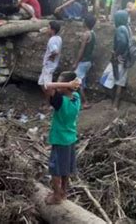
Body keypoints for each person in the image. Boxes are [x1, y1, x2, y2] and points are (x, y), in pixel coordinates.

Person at [43, 72, 81, 204]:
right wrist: (71, 86)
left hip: (60, 139)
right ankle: (63, 191)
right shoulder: (76, 97)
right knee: (66, 168)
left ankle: (56, 196)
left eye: (61, 83)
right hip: (71, 138)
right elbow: (54, 87)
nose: (58, 85)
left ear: (68, 86)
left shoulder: (60, 101)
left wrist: (68, 84)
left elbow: (47, 86)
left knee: (55, 170)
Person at [99, 11, 130, 110]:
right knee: (120, 82)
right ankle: (115, 105)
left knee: (104, 80)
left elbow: (122, 42)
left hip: (118, 59)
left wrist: (116, 54)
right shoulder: (128, 28)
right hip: (126, 59)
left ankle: (112, 101)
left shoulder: (120, 29)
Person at [72, 14, 96, 109]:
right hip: (88, 61)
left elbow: (81, 50)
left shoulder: (86, 35)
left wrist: (76, 63)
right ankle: (79, 99)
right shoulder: (92, 33)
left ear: (85, 23)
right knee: (82, 81)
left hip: (83, 62)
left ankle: (85, 102)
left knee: (77, 82)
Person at [38, 21, 62, 91]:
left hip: (49, 65)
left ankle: (51, 99)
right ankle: (47, 100)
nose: (47, 29)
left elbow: (55, 51)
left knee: (48, 85)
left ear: (53, 30)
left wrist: (50, 57)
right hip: (50, 65)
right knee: (41, 82)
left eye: (48, 28)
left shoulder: (52, 40)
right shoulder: (58, 38)